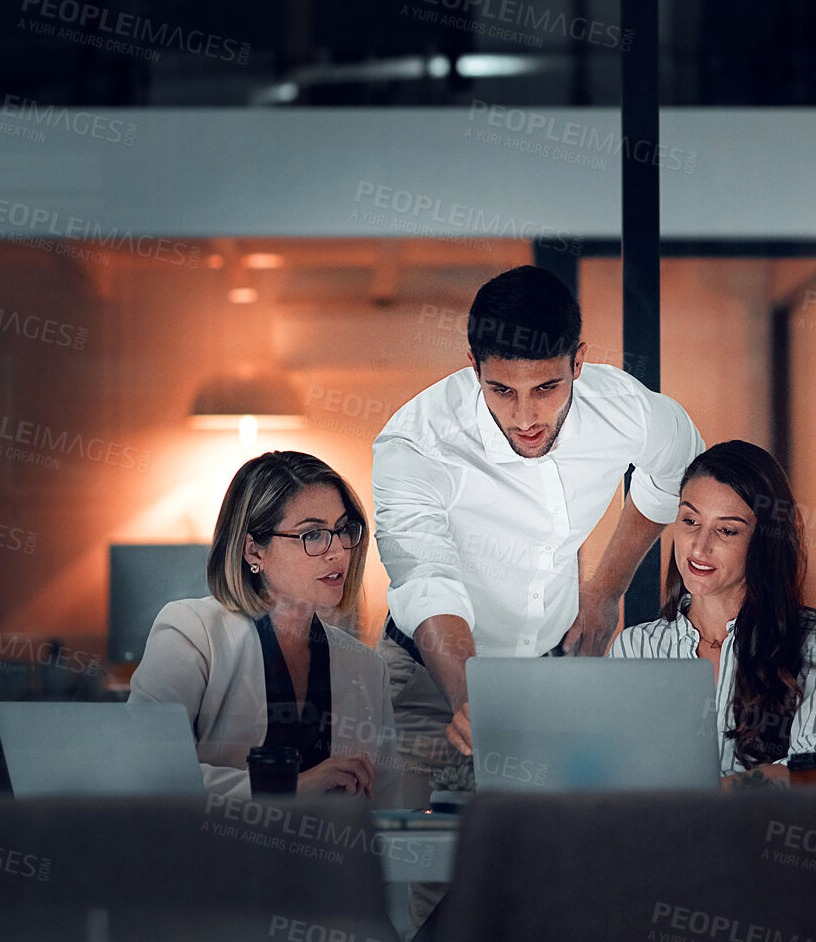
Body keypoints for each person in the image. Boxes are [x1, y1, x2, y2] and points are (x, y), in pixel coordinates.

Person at [373, 266, 703, 926]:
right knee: (434, 883)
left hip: (552, 674)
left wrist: (604, 590)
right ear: (473, 366)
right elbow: (424, 575)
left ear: (578, 362)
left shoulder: (629, 408)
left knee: (554, 874)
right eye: (501, 389)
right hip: (428, 681)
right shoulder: (416, 440)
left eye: (546, 387)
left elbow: (670, 475)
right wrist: (473, 698)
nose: (525, 415)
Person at [128, 450, 399, 801]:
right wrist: (291, 788)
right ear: (254, 551)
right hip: (212, 852)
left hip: (333, 853)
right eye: (313, 534)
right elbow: (145, 768)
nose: (338, 552)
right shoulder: (192, 633)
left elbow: (388, 804)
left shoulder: (367, 667)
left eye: (343, 530)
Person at [607, 440, 816, 789]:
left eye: (726, 530)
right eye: (690, 520)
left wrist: (697, 797)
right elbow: (615, 772)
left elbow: (812, 773)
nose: (699, 546)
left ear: (765, 541)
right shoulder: (636, 648)